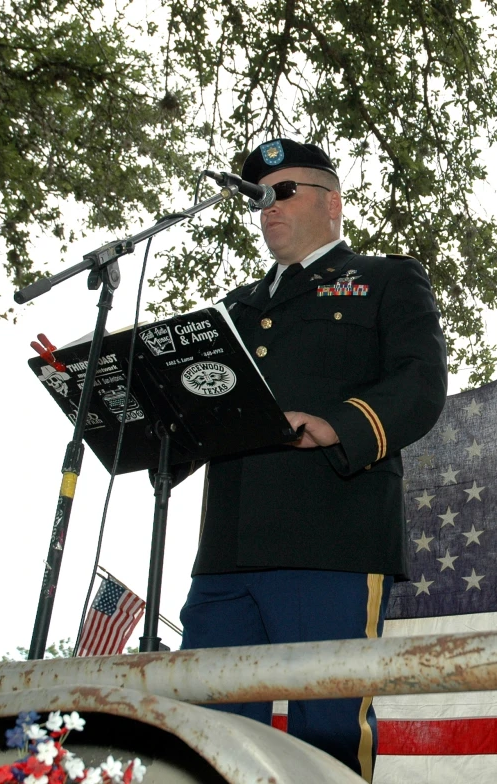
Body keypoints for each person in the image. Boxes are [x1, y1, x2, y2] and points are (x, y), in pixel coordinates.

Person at [179, 138, 448, 782]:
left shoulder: (385, 279)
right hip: (225, 555)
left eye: (283, 192)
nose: (266, 206)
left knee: (324, 738)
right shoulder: (235, 308)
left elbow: (420, 382)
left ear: (330, 203)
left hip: (332, 540)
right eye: (259, 198)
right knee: (201, 735)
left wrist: (340, 424)